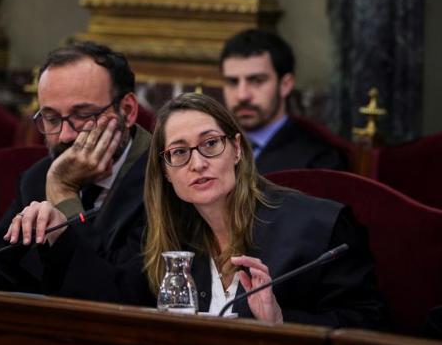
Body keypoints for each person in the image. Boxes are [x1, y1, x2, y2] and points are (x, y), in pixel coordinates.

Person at [143, 92, 385, 327]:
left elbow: (369, 325)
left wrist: (280, 322)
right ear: (165, 171)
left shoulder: (319, 228)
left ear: (237, 149)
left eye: (210, 143)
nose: (198, 164)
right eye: (179, 152)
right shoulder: (172, 238)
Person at [0, 42, 154, 305]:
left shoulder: (163, 181)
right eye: (52, 119)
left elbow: (115, 296)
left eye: (82, 115)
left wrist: (63, 192)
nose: (66, 135)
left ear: (127, 110)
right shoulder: (39, 176)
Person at [220, 29, 347, 174]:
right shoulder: (208, 146)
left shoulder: (318, 161)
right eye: (232, 82)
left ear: (285, 85)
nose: (242, 95)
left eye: (256, 81)